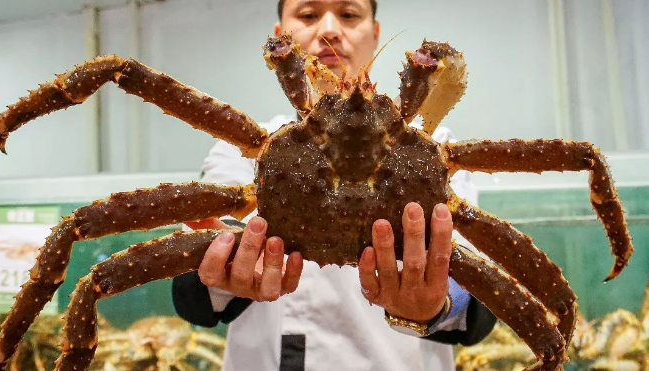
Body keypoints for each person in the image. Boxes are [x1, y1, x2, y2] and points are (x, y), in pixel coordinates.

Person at [172, 1, 496, 370]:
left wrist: (439, 303)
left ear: (374, 33)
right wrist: (223, 259)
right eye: (308, 15)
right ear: (281, 36)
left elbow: (480, 298)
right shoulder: (243, 151)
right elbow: (190, 292)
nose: (329, 29)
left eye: (349, 14)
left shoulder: (437, 154)